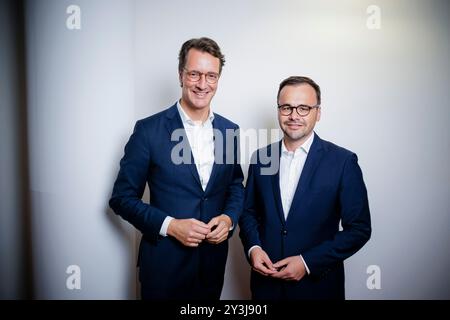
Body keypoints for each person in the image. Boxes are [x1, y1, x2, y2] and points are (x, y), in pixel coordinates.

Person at [109, 37, 244, 299]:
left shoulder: (230, 131)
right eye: (194, 74)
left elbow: (235, 186)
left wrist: (228, 220)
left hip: (211, 269)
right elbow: (121, 198)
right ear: (181, 75)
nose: (203, 84)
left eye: (211, 76)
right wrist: (170, 226)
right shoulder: (148, 130)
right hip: (163, 270)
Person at [239, 76, 371, 299]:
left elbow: (359, 229)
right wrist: (254, 248)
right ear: (278, 110)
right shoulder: (261, 158)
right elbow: (249, 212)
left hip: (317, 288)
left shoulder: (343, 162)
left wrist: (307, 262)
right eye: (287, 107)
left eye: (303, 108)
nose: (294, 116)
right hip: (266, 288)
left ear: (318, 113)